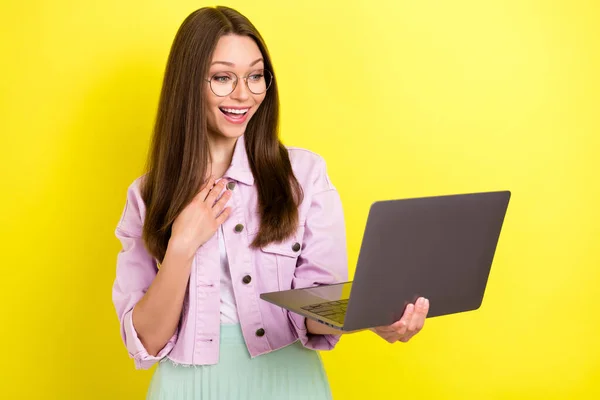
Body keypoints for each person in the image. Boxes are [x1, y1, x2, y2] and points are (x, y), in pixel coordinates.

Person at [112, 5, 430, 399]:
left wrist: (374, 317)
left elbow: (316, 311)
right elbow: (145, 341)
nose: (244, 94)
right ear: (188, 83)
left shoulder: (305, 175)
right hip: (188, 387)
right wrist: (180, 246)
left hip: (289, 383)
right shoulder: (146, 195)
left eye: (256, 75)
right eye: (222, 78)